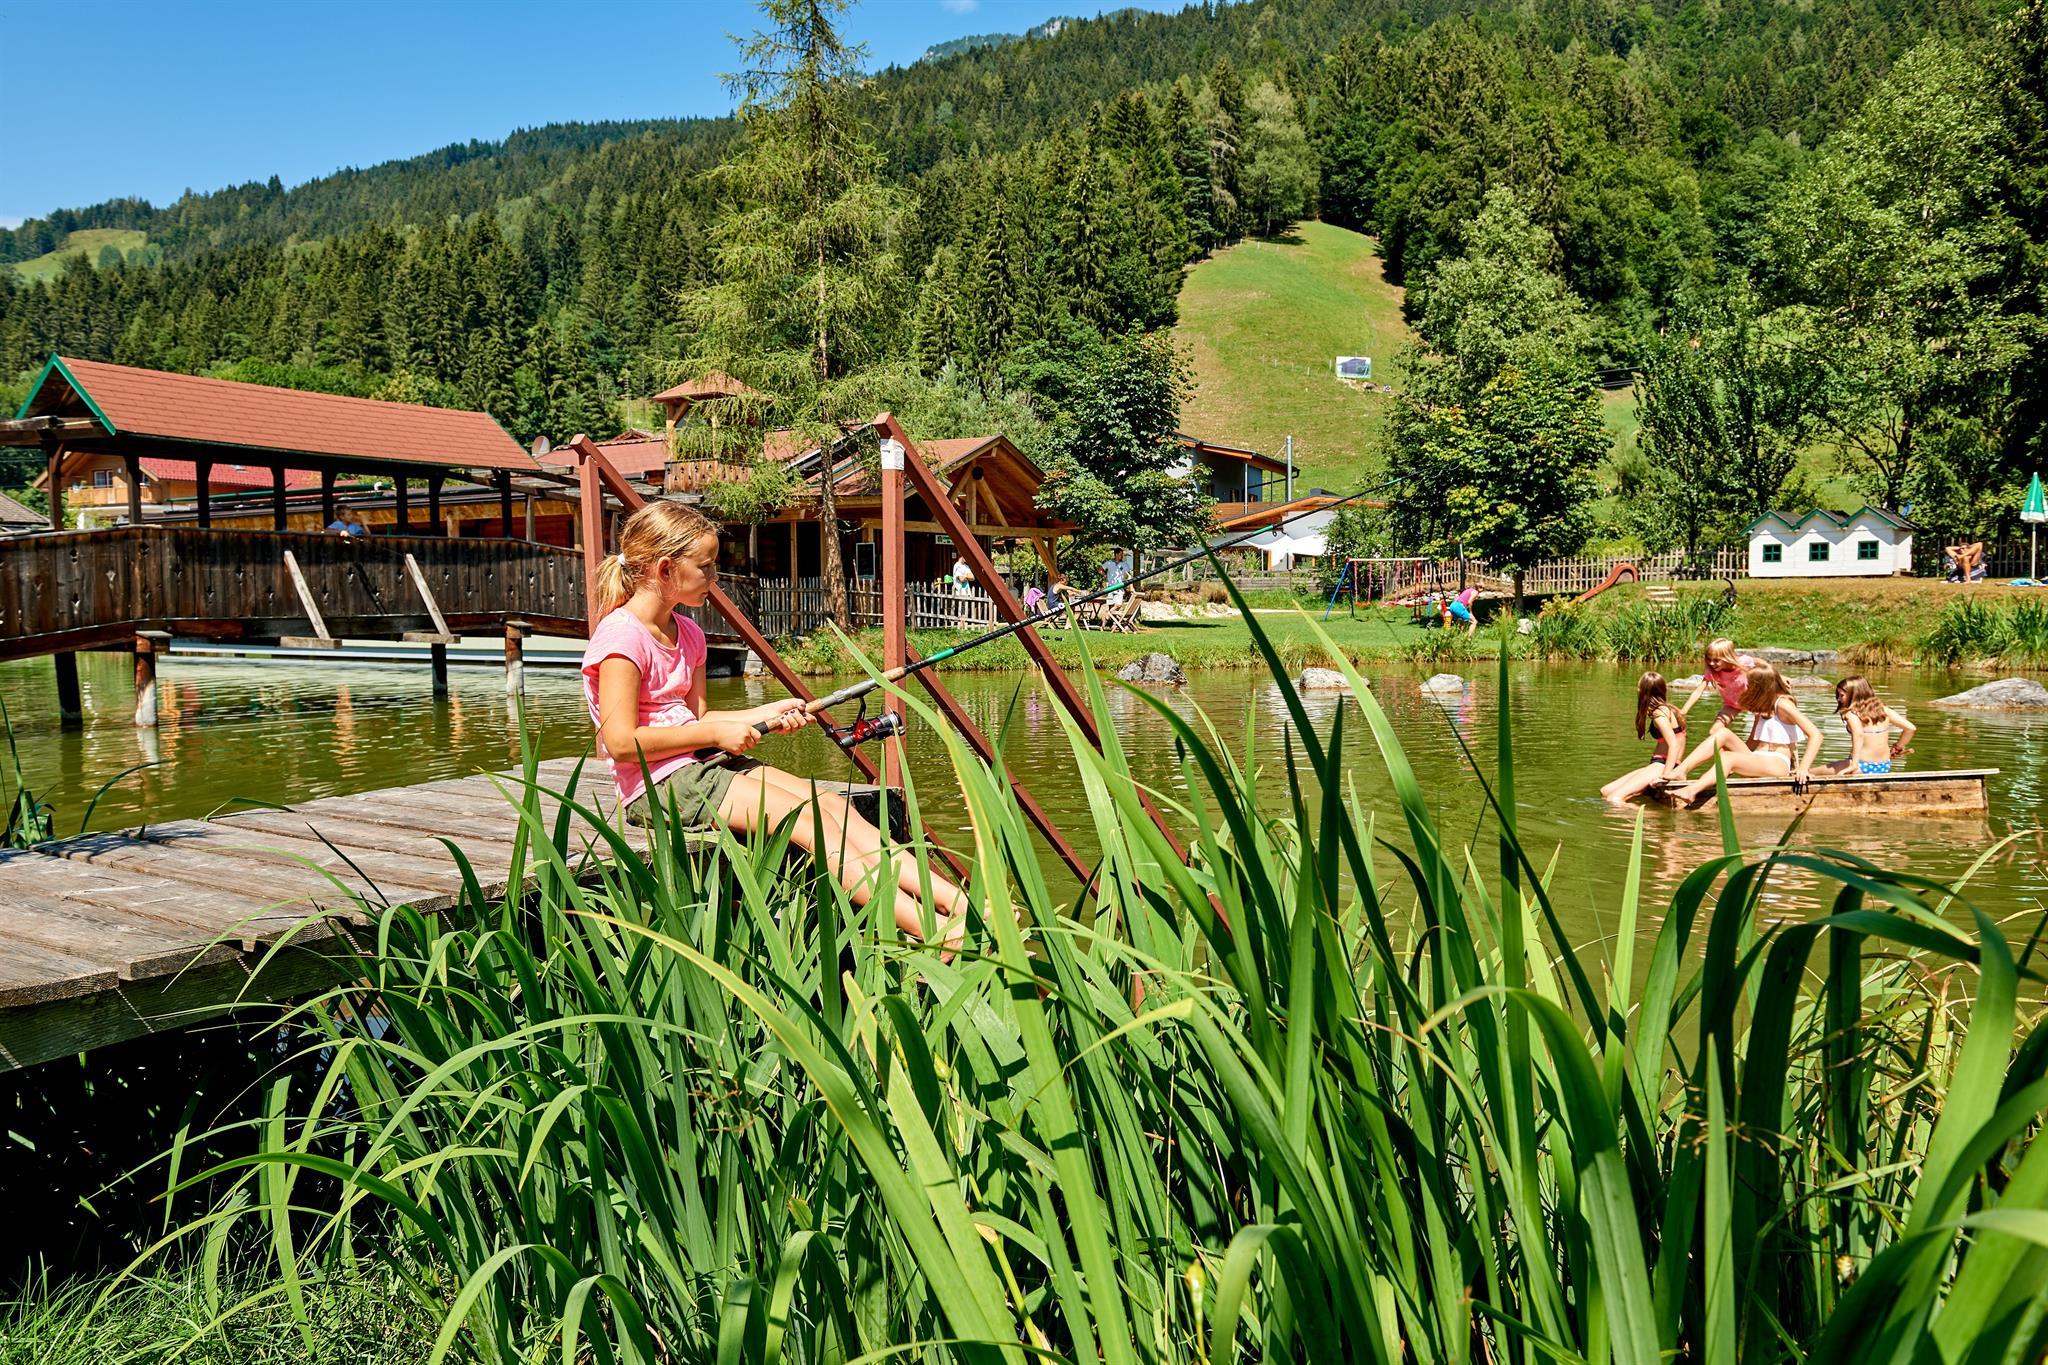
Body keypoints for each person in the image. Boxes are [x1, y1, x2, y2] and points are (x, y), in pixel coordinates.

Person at [583, 501, 968, 946]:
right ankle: (932, 930)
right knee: (805, 822)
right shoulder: (622, 638)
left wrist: (765, 713)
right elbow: (619, 742)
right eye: (706, 567)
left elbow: (698, 718)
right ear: (666, 569)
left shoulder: (689, 633)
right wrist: (715, 735)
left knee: (832, 807)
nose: (715, 577)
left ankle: (959, 903)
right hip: (657, 787)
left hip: (702, 765)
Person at [1668, 661, 1825, 805]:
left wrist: (1803, 768)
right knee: (1722, 733)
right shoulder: (1761, 706)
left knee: (1728, 757)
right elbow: (1752, 742)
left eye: (1748, 685)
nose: (1745, 688)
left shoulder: (1783, 704)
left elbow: (1816, 735)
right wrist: (1734, 761)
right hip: (1758, 758)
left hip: (1777, 763)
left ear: (1760, 687)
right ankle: (1681, 771)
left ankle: (1692, 791)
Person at [1666, 638, 1758, 782]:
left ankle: (1743, 764)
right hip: (1732, 705)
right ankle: (1724, 765)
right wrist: (1684, 710)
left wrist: (1781, 678)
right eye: (1709, 660)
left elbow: (1765, 668)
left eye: (1716, 660)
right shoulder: (1713, 671)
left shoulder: (1744, 662)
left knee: (1755, 737)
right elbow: (1699, 690)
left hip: (1753, 703)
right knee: (1714, 731)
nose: (1712, 663)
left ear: (1727, 657)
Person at [1601, 672, 1688, 805]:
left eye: (1639, 687)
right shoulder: (1669, 709)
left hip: (1662, 766)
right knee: (1606, 791)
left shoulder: (1659, 714)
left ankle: (1649, 815)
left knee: (1614, 799)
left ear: (1644, 691)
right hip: (1659, 764)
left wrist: (1665, 776)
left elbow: (1674, 744)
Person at [1820, 675, 1916, 775]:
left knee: (1812, 772)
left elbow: (1858, 734)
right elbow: (1910, 729)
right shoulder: (1883, 710)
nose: (1839, 699)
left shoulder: (1851, 714)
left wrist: (1854, 765)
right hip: (1884, 766)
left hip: (1860, 766)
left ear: (1854, 695)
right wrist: (1897, 748)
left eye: (1841, 695)